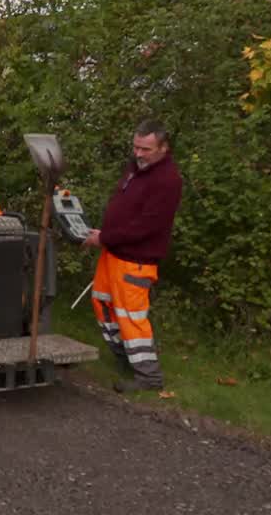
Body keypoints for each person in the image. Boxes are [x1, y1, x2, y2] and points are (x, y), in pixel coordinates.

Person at [84, 119, 183, 393]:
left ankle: (149, 376)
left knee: (131, 316)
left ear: (163, 148)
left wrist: (104, 237)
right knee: (102, 304)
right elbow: (127, 212)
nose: (138, 154)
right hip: (113, 253)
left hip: (136, 260)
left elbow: (146, 226)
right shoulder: (137, 169)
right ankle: (126, 359)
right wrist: (105, 234)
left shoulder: (167, 180)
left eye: (145, 149)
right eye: (136, 147)